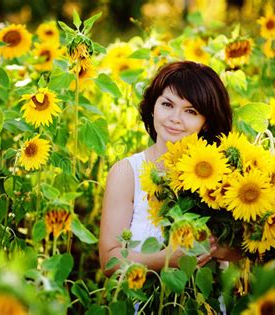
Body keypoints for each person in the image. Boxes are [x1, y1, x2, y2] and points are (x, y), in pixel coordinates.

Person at [99, 61, 241, 276]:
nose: (175, 118)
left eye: (190, 111)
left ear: (207, 122)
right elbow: (109, 260)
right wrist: (167, 259)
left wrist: (216, 248)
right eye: (167, 104)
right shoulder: (126, 173)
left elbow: (252, 247)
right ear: (153, 108)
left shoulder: (224, 171)